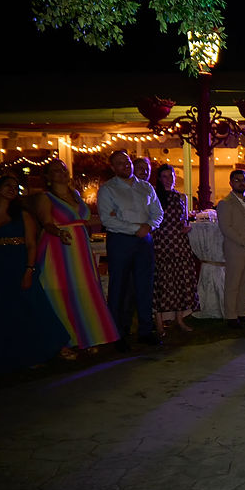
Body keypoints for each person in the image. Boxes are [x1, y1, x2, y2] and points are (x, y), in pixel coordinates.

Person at [34, 159, 119, 354]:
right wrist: (58, 233)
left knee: (83, 291)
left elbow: (84, 220)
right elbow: (46, 223)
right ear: (47, 177)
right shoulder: (45, 198)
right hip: (58, 248)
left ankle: (86, 336)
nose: (62, 173)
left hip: (80, 249)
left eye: (63, 169)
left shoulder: (76, 195)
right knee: (59, 292)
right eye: (56, 170)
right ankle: (63, 342)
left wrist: (116, 217)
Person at [0, 174, 69, 375]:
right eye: (8, 185)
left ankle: (33, 355)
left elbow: (32, 245)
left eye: (16, 187)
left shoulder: (22, 215)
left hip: (18, 265)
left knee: (27, 309)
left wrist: (29, 270)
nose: (12, 189)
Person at [97, 150, 164, 350]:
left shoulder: (146, 187)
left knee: (145, 285)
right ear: (113, 167)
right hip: (121, 241)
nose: (125, 166)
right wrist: (137, 228)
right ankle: (117, 333)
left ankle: (145, 330)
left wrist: (150, 226)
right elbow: (108, 219)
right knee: (120, 288)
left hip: (144, 240)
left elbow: (158, 213)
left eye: (127, 162)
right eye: (119, 163)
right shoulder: (108, 189)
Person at [151, 164, 199, 337]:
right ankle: (159, 322)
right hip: (162, 242)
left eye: (170, 176)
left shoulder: (180, 197)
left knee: (181, 280)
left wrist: (186, 226)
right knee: (162, 281)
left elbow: (183, 219)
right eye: (164, 176)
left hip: (179, 242)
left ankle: (179, 319)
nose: (168, 179)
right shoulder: (154, 196)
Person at [216, 169, 245, 329]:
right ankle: (231, 316)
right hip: (236, 248)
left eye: (244, 180)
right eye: (237, 180)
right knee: (233, 282)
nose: (241, 182)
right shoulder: (225, 203)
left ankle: (242, 312)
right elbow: (226, 228)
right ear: (231, 183)